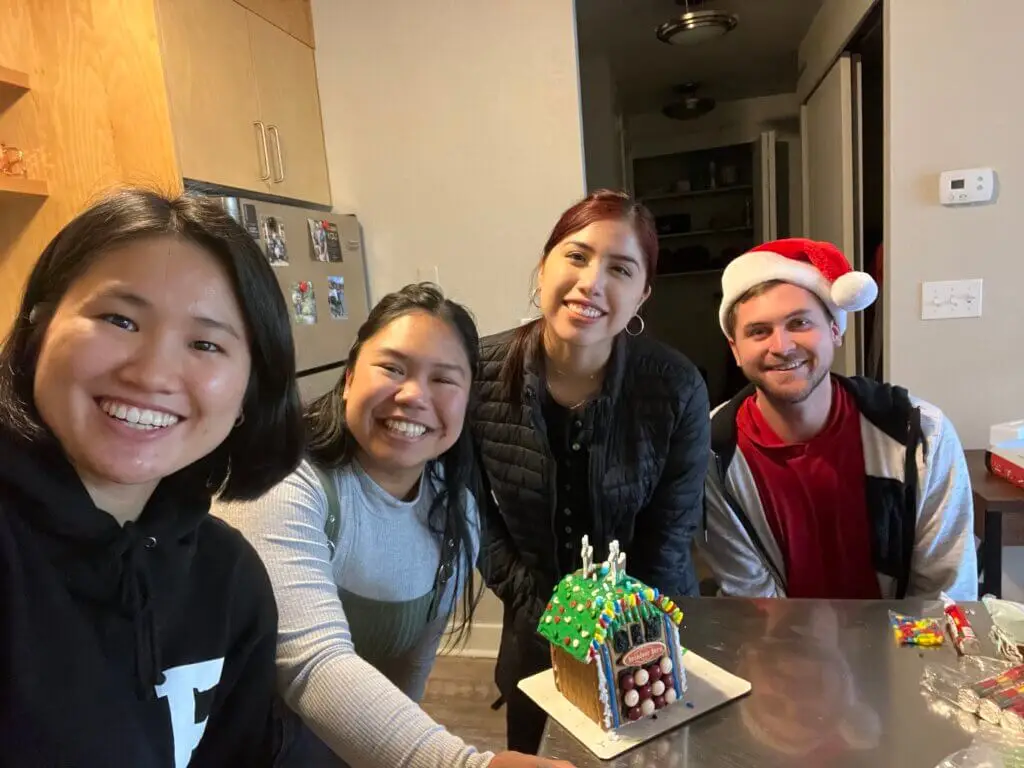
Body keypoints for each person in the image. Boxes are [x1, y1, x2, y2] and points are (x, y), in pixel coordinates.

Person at [0, 189, 305, 765]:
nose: (153, 373)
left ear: (248, 392)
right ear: (38, 327)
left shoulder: (227, 578)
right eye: (119, 319)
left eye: (205, 343)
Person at [216, 283, 573, 768]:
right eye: (392, 368)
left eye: (444, 380)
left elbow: (409, 672)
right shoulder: (283, 482)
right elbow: (310, 664)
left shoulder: (456, 515)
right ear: (348, 378)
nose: (413, 396)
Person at [474, 190, 711, 752]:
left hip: (646, 627)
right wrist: (530, 595)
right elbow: (470, 509)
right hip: (536, 619)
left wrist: (622, 630)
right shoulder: (479, 373)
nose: (591, 281)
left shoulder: (676, 386)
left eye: (620, 268)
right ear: (544, 266)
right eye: (576, 256)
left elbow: (671, 531)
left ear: (642, 295)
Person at [700, 237, 977, 600]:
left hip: (908, 648)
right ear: (735, 349)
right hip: (777, 648)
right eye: (758, 331)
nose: (781, 346)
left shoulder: (920, 435)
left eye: (799, 323)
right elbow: (752, 600)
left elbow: (946, 594)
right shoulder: (709, 451)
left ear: (835, 331)